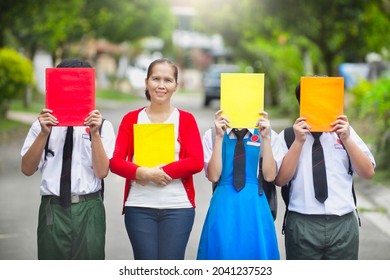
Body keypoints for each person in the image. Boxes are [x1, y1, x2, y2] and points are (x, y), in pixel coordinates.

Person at [20, 59, 116, 260]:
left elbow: (101, 172)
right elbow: (27, 169)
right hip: (53, 207)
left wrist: (95, 133)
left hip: (89, 207)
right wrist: (44, 133)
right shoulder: (42, 126)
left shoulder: (103, 126)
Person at [109, 58, 204, 260]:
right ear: (146, 82)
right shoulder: (131, 119)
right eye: (156, 79)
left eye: (168, 80)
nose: (161, 85)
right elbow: (115, 162)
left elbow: (196, 161)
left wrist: (160, 173)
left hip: (178, 207)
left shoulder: (186, 120)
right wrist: (141, 173)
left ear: (176, 86)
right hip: (139, 207)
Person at [274, 80, 376, 260]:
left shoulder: (345, 133)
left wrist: (347, 139)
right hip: (302, 223)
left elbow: (368, 172)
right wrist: (298, 142)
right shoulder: (289, 136)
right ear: (302, 103)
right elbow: (280, 180)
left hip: (343, 222)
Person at [197, 109, 280, 260]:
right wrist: (219, 138)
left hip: (255, 206)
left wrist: (266, 139)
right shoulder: (213, 134)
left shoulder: (267, 133)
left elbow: (270, 176)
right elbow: (213, 175)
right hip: (223, 206)